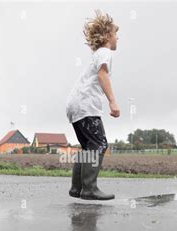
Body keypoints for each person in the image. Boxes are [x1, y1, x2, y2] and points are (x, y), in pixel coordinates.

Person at [66, 10, 120, 201]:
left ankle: (77, 188)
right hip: (85, 105)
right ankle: (89, 189)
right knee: (99, 144)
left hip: (75, 105)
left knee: (89, 146)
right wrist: (112, 101)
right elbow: (102, 75)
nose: (117, 38)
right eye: (115, 34)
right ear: (107, 36)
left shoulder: (96, 54)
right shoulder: (105, 52)